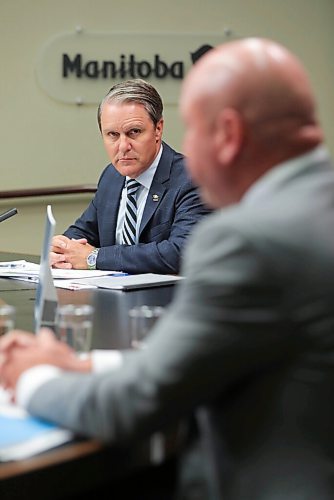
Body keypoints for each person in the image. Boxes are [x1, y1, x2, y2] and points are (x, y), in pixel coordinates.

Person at [2, 37, 334, 499]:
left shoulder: (249, 242)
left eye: (193, 131)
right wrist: (82, 362)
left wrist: (34, 375)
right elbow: (223, 349)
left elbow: (136, 404)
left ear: (229, 134)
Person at [50, 79, 209, 274]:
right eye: (112, 135)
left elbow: (182, 253)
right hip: (111, 299)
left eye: (134, 132)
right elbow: (84, 232)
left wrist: (94, 258)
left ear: (158, 129)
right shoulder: (111, 176)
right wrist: (61, 249)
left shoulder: (192, 178)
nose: (123, 146)